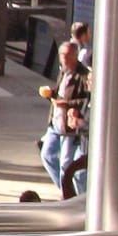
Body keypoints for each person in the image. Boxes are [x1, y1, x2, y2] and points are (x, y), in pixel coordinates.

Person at [38, 39, 90, 193]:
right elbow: (61, 91)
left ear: (75, 56)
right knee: (47, 155)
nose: (64, 59)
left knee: (66, 164)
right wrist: (51, 94)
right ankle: (66, 189)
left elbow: (87, 99)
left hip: (70, 126)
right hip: (55, 121)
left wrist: (66, 103)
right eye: (62, 55)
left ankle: (69, 195)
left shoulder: (83, 75)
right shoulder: (63, 70)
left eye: (68, 56)